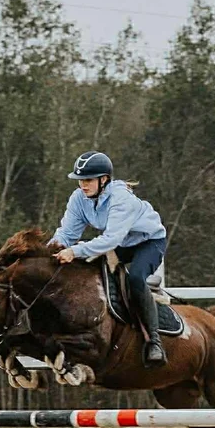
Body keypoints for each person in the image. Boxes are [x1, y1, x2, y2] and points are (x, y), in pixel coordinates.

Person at [50, 151, 168, 367]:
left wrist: (74, 251)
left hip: (148, 243)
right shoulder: (79, 199)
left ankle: (154, 342)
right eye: (80, 181)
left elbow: (110, 240)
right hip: (120, 243)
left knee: (135, 280)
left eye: (88, 180)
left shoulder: (120, 199)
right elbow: (66, 235)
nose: (82, 186)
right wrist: (48, 253)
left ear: (104, 180)